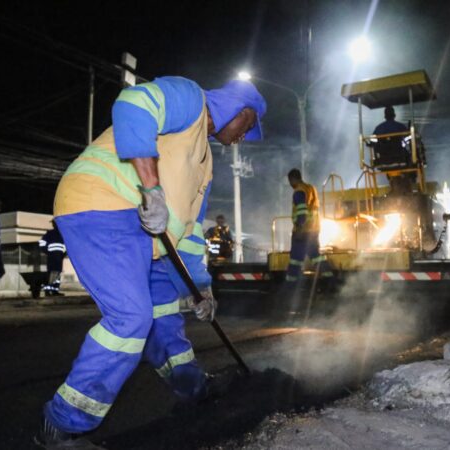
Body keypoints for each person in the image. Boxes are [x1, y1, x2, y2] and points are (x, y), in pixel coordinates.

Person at [38, 76, 266, 448]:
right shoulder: (190, 99)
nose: (245, 138)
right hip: (103, 205)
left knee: (163, 310)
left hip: (151, 238)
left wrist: (201, 291)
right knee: (131, 317)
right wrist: (151, 190)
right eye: (249, 126)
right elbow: (133, 103)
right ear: (240, 109)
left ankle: (191, 385)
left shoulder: (205, 166)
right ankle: (62, 424)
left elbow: (190, 237)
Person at [286, 169, 321, 283]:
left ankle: (291, 285)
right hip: (314, 229)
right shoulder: (311, 188)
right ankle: (328, 276)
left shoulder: (299, 191)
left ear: (293, 179)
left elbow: (302, 212)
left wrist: (299, 229)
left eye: (290, 181)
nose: (290, 184)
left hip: (303, 231)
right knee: (316, 256)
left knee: (295, 259)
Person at [38, 221, 67, 296]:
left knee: (56, 273)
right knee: (53, 273)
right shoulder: (53, 234)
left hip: (57, 256)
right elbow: (42, 243)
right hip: (54, 256)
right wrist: (48, 252)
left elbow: (66, 246)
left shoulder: (60, 234)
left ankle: (54, 291)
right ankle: (49, 291)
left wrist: (62, 254)